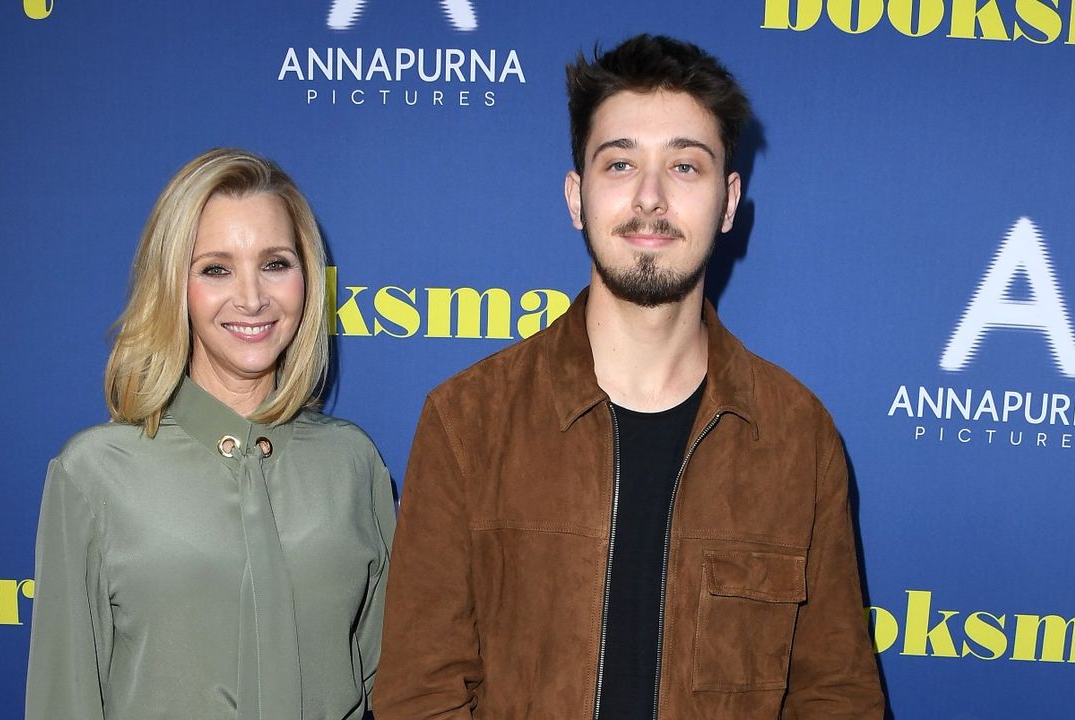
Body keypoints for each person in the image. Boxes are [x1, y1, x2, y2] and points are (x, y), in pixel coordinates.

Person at [373, 35, 885, 719]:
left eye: (685, 166)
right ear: (576, 196)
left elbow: (836, 697)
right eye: (619, 164)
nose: (650, 198)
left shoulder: (798, 436)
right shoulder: (468, 422)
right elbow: (419, 696)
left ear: (728, 202)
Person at [25, 148, 395, 720]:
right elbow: (63, 701)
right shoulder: (93, 475)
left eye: (275, 263)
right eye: (216, 268)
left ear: (308, 279)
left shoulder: (353, 465)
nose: (251, 298)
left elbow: (399, 685)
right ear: (175, 285)